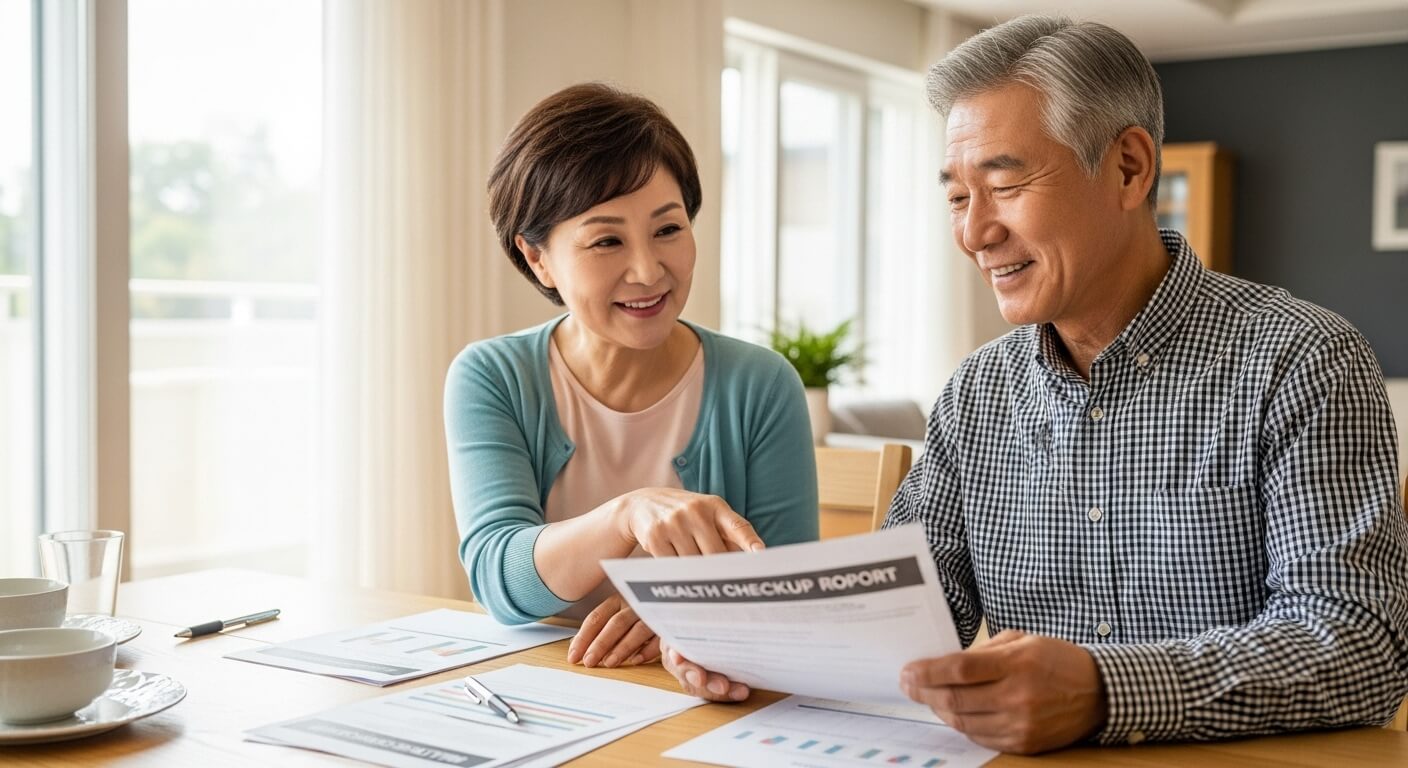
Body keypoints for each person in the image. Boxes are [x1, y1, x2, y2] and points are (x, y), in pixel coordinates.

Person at [662, 15, 1408, 753]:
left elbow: (1360, 647)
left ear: (1128, 168)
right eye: (957, 196)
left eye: (1005, 182)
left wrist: (1106, 691)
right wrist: (738, 645)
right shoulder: (978, 393)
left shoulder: (1304, 360)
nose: (973, 232)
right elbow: (895, 622)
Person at [445, 83, 818, 671]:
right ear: (536, 256)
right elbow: (499, 577)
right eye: (606, 240)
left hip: (705, 695)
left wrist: (680, 613)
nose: (648, 270)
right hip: (541, 691)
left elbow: (789, 593)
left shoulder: (761, 384)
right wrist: (627, 514)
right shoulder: (493, 376)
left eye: (668, 229)